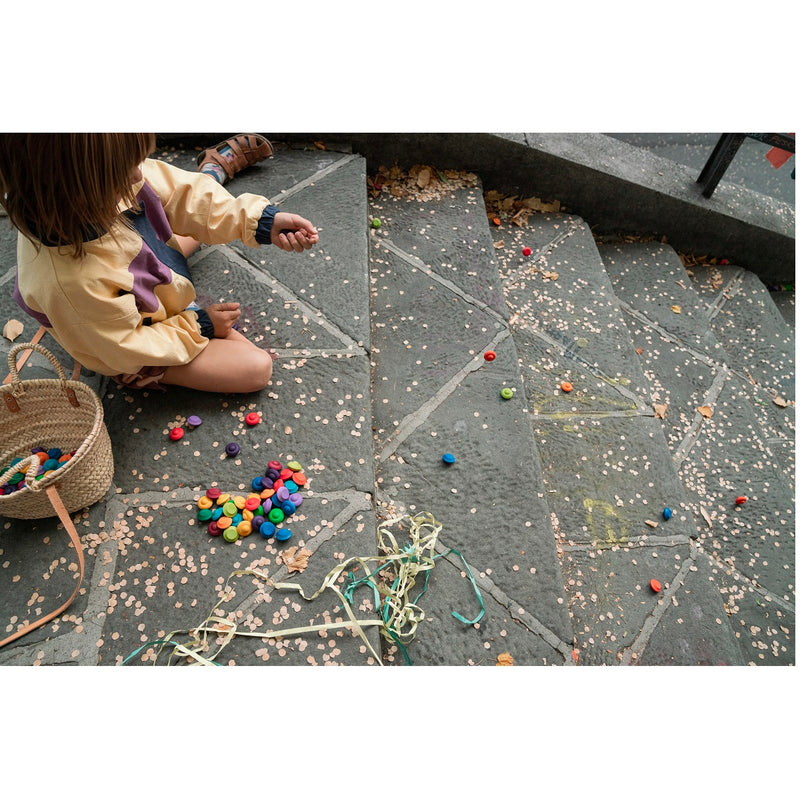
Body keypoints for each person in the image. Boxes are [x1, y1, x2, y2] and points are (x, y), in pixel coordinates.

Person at [0, 133, 319, 392]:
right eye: (126, 168)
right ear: (73, 189)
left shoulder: (96, 180)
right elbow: (125, 348)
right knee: (255, 369)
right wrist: (199, 325)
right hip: (126, 342)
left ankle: (212, 172)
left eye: (137, 160)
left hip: (136, 265)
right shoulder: (70, 283)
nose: (139, 173)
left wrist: (260, 222)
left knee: (198, 219)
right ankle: (148, 373)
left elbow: (183, 195)